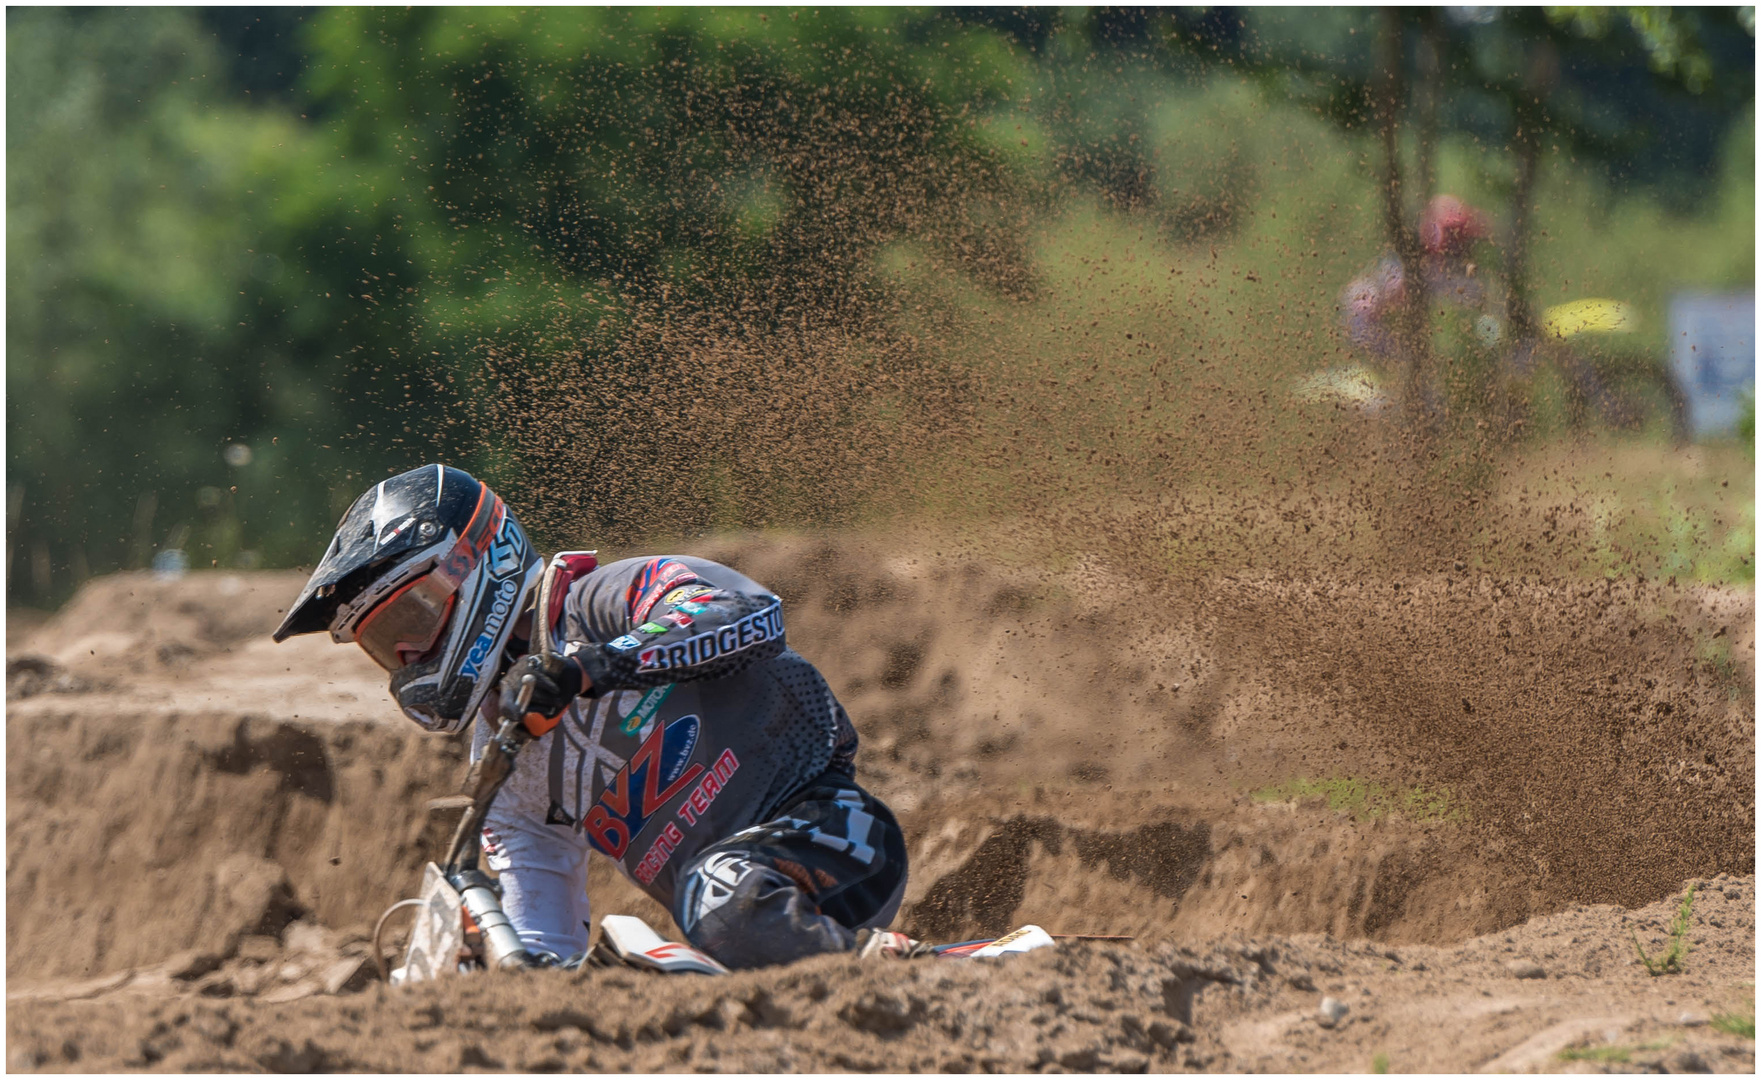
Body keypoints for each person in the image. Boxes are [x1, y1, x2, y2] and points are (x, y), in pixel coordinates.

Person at [272, 464, 915, 969]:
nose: (407, 656)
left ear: (471, 568)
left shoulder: (600, 601)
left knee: (713, 893)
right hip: (743, 921)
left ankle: (874, 968)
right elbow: (542, 929)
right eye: (385, 644)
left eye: (407, 621)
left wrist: (594, 665)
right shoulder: (508, 766)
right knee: (620, 954)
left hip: (833, 831)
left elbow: (749, 612)